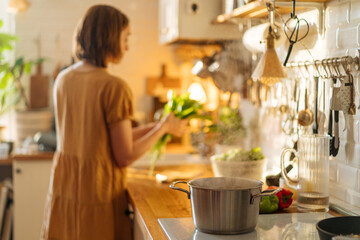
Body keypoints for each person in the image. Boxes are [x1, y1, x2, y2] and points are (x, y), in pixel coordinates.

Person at [41, 4, 187, 240]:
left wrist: (160, 127)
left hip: (66, 188)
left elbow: (100, 138)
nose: (128, 46)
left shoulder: (63, 79)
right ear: (109, 37)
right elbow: (124, 155)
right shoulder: (114, 87)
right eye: (126, 38)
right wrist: (163, 129)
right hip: (97, 193)